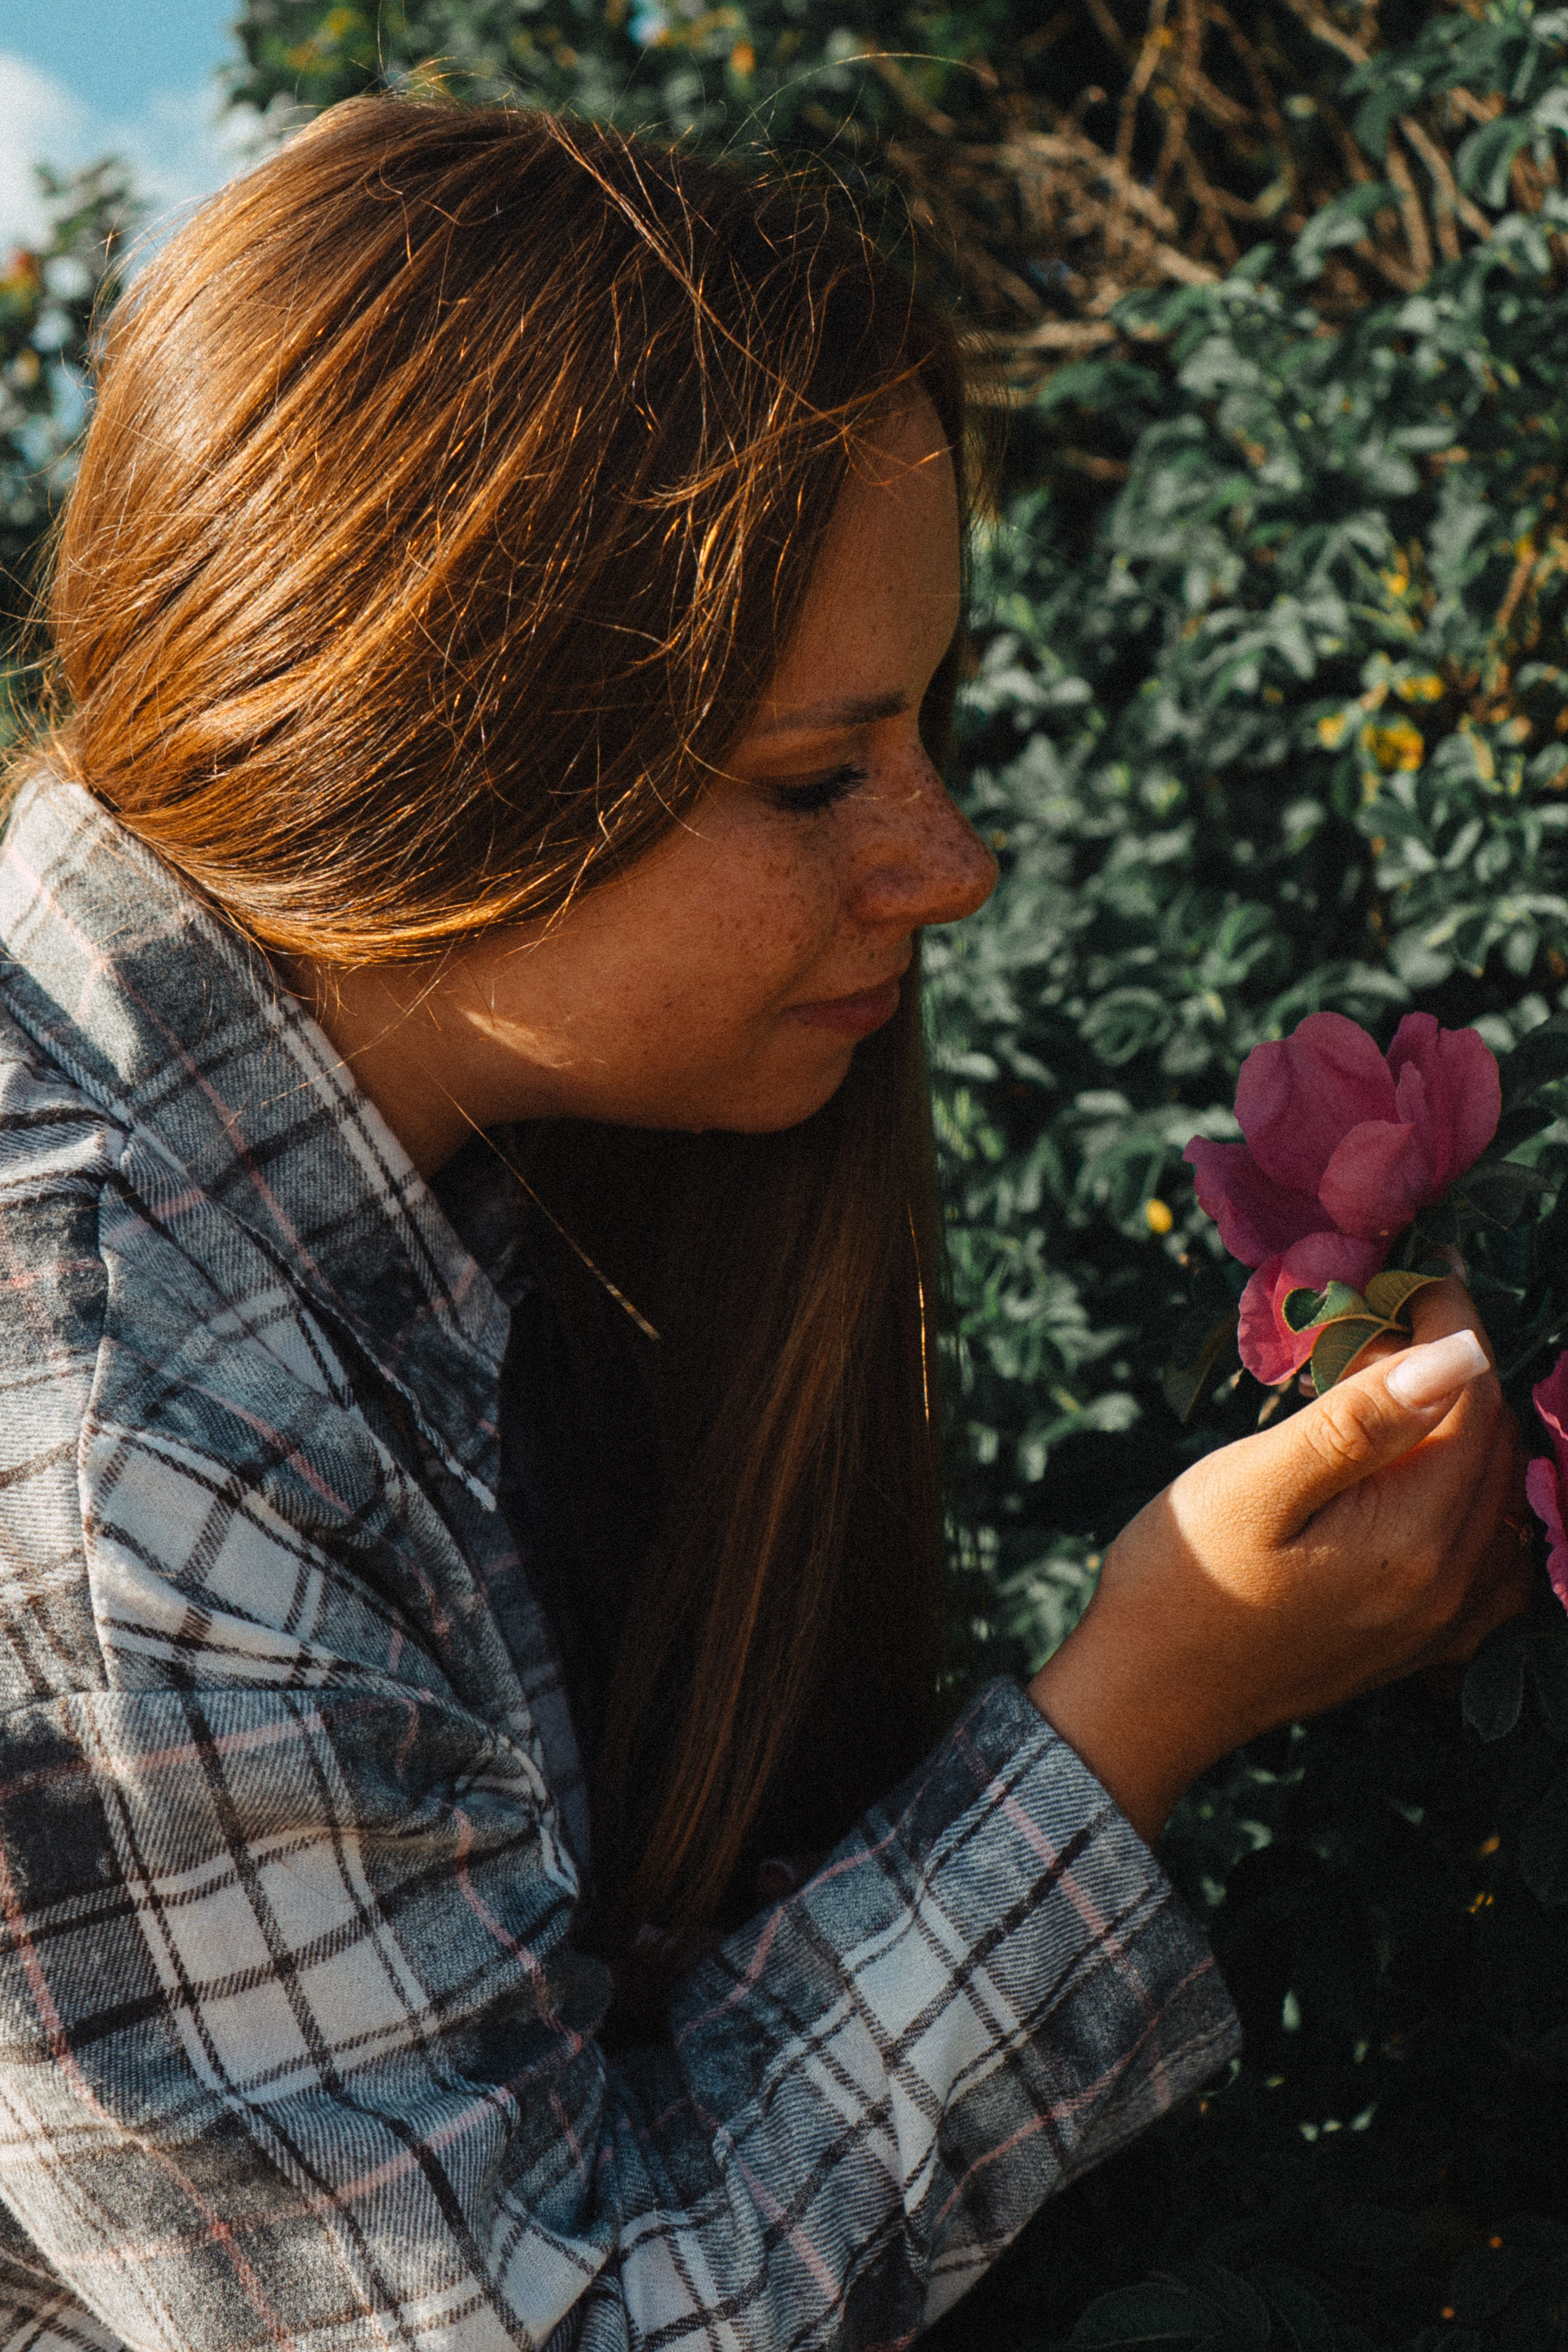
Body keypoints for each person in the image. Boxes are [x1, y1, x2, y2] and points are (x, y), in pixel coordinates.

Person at [0, 97, 1527, 2352]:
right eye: (822, 776)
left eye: (930, 725)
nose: (953, 860)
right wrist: (1141, 1705)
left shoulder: (401, 1142)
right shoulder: (112, 1455)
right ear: (429, 753)